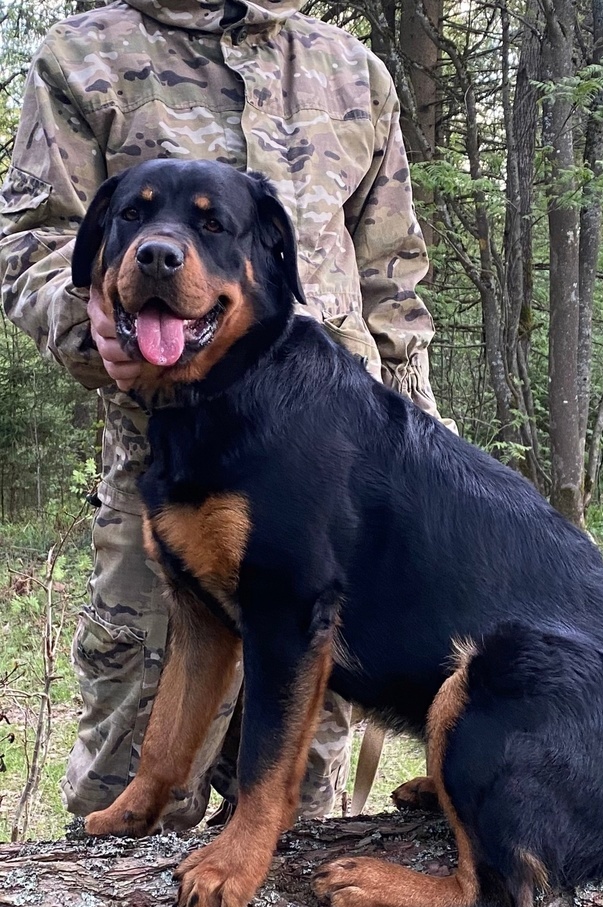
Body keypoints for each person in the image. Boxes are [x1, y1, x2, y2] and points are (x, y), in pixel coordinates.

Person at [0, 0, 454, 829]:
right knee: (126, 817)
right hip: (167, 471)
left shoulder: (353, 70)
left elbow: (392, 276)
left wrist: (422, 441)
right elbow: (31, 240)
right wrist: (87, 322)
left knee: (297, 825)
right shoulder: (84, 55)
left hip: (333, 495)